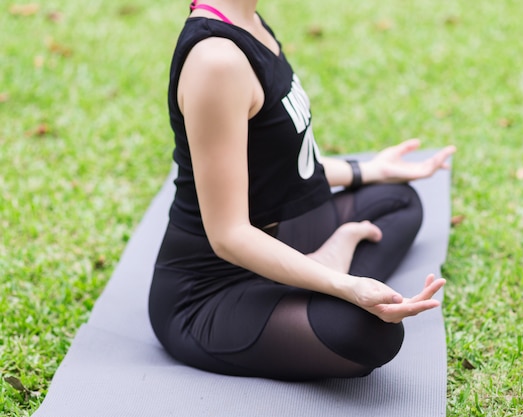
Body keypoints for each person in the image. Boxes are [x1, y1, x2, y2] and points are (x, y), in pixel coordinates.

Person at [148, 0, 457, 381]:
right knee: (368, 333)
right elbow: (228, 235)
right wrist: (340, 282)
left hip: (275, 235)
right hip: (210, 291)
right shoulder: (216, 61)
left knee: (399, 200)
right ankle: (322, 273)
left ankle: (310, 276)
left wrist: (368, 170)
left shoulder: (248, 21)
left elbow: (284, 167)